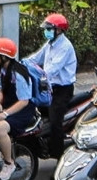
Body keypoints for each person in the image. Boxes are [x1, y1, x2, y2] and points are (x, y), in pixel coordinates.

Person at [24, 12, 76, 161]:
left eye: (49, 29)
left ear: (59, 30)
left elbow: (52, 69)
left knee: (55, 123)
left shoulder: (65, 47)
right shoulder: (50, 44)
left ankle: (58, 159)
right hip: (48, 88)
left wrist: (36, 74)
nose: (46, 31)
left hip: (61, 91)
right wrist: (20, 65)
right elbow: (36, 58)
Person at [0, 38, 39, 180]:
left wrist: (5, 114)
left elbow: (24, 101)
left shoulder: (19, 74)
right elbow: (2, 90)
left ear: (3, 56)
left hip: (22, 111)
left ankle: (9, 163)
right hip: (9, 106)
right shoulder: (2, 71)